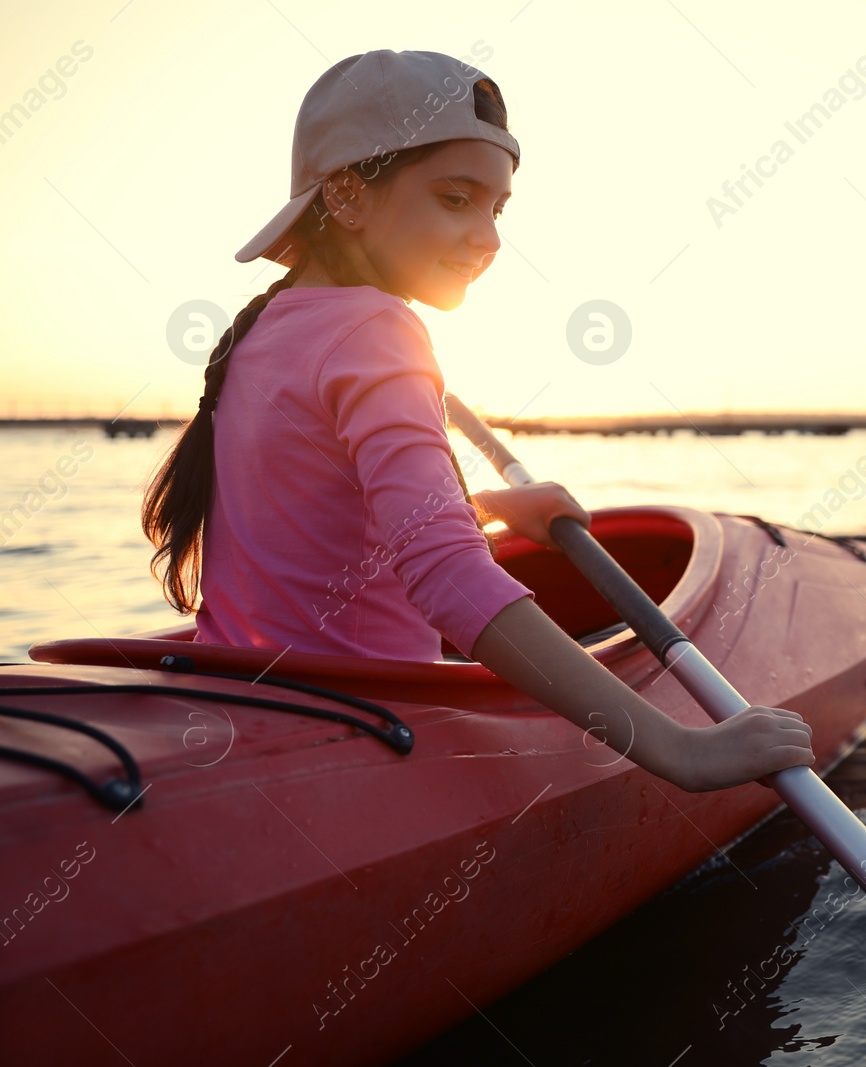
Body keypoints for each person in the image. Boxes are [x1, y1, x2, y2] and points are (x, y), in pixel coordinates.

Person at [140, 49, 812, 793]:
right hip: (356, 730)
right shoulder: (375, 329)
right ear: (347, 195)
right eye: (456, 199)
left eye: (497, 208)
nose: (488, 238)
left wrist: (482, 508)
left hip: (240, 698)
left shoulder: (263, 327)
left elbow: (313, 510)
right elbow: (447, 577)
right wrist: (685, 751)